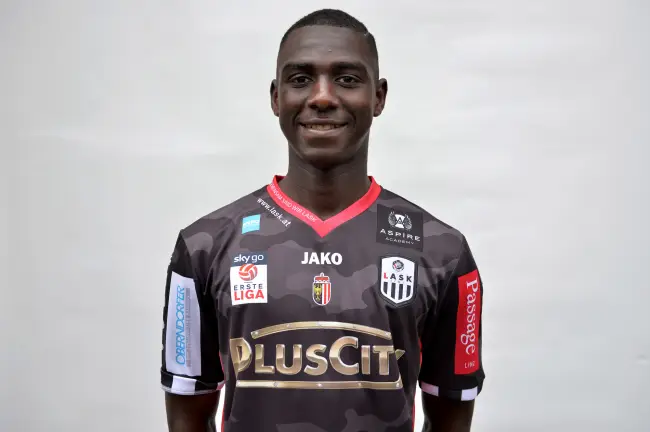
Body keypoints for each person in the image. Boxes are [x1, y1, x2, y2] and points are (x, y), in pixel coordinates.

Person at [161, 8, 485, 432]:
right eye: (300, 79)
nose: (322, 97)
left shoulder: (443, 252)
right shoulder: (203, 247)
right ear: (276, 97)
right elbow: (187, 416)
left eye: (347, 79)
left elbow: (450, 420)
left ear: (379, 97)